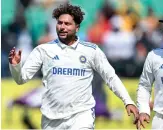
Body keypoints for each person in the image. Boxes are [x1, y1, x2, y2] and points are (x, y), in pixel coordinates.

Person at [9, 3, 138, 129]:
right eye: (60, 23)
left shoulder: (91, 51)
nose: (62, 27)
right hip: (52, 120)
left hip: (81, 119)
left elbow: (111, 78)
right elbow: (21, 78)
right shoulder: (43, 50)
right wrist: (16, 66)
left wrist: (128, 101)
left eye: (67, 24)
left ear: (77, 27)